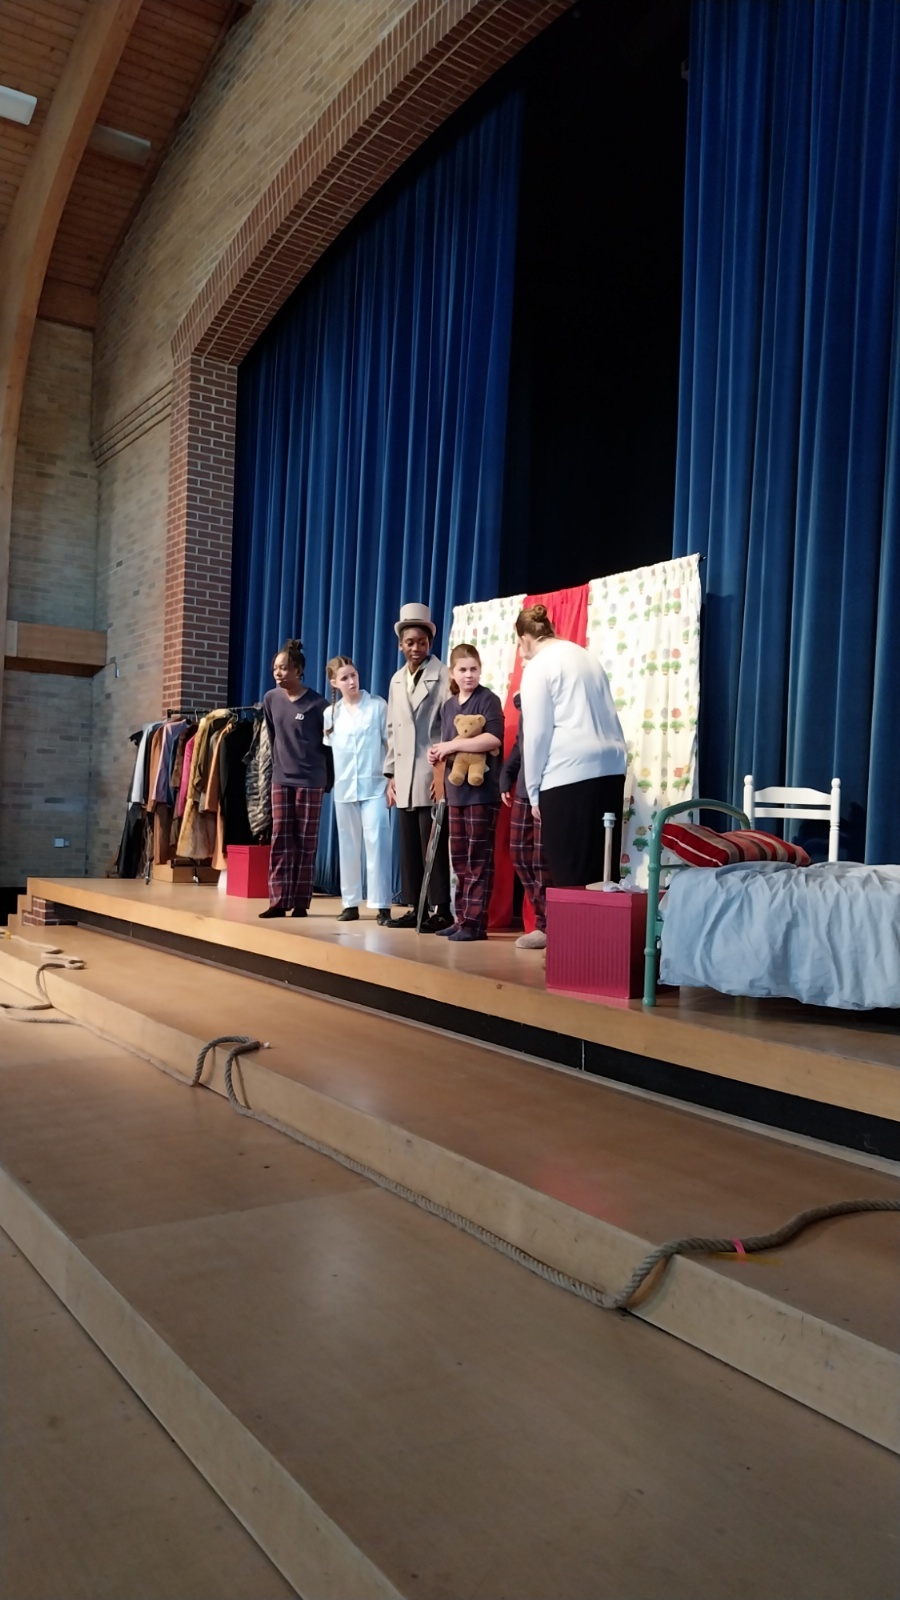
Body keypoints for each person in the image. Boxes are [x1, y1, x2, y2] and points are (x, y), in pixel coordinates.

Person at [516, 604, 627, 888]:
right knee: (605, 873)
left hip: (568, 775)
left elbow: (536, 734)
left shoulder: (539, 665)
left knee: (571, 877)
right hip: (612, 768)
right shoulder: (585, 656)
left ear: (524, 639)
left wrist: (533, 790)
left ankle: (575, 920)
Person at [384, 603, 452, 931]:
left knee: (433, 844)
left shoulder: (445, 675)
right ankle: (416, 906)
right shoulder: (397, 680)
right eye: (409, 642)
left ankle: (442, 908)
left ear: (430, 643)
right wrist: (390, 775)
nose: (415, 648)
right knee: (409, 845)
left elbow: (450, 725)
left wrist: (443, 773)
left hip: (430, 772)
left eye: (421, 642)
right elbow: (391, 730)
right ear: (400, 645)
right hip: (404, 773)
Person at [428, 644, 503, 942]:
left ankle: (475, 922)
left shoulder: (488, 700)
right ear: (452, 673)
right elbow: (450, 746)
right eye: (463, 669)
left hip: (481, 794)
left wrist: (453, 745)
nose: (468, 675)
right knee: (459, 859)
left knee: (478, 858)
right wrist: (438, 753)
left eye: (473, 669)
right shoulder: (449, 706)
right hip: (456, 793)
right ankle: (461, 918)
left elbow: (493, 738)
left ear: (480, 669)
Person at [260, 638, 328, 918]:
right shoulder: (271, 699)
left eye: (284, 668)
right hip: (281, 778)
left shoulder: (318, 704)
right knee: (280, 839)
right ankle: (278, 901)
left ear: (298, 670)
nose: (278, 673)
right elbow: (272, 735)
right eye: (275, 668)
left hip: (310, 780)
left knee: (305, 841)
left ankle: (300, 902)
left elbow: (328, 747)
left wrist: (327, 781)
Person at [324, 656, 392, 926]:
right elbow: (332, 751)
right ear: (334, 683)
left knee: (378, 844)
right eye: (344, 678)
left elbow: (389, 745)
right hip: (344, 788)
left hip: (375, 786)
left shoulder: (377, 706)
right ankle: (350, 903)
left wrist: (392, 779)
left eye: (353, 675)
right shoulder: (331, 714)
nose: (351, 681)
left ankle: (382, 905)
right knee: (348, 845)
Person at [500, 691, 550, 950]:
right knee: (520, 853)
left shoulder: (557, 704)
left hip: (548, 788)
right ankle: (545, 919)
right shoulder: (527, 705)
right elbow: (522, 744)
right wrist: (507, 772)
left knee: (543, 860)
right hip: (524, 789)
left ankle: (547, 925)